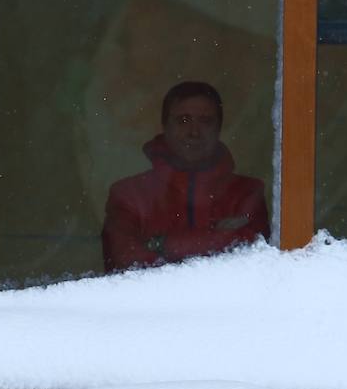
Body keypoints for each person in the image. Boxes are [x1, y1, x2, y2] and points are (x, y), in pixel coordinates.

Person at [102, 81, 269, 273]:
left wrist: (162, 244)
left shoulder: (247, 192)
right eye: (183, 120)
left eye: (205, 121)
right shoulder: (127, 195)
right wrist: (218, 237)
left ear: (219, 128)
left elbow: (254, 264)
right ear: (165, 126)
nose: (194, 132)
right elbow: (125, 265)